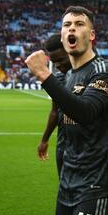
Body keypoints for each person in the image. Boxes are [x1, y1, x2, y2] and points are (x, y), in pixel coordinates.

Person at [25, 6, 108, 215]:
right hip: (68, 184)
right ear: (62, 37)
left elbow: (85, 112)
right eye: (67, 25)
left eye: (79, 24)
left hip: (96, 187)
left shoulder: (104, 72)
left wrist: (44, 74)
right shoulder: (68, 76)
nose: (72, 29)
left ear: (91, 35)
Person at [37, 33, 71, 177]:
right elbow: (54, 111)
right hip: (63, 145)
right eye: (54, 61)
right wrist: (44, 139)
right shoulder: (58, 78)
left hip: (88, 147)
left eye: (61, 59)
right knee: (65, 190)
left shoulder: (91, 73)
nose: (57, 65)